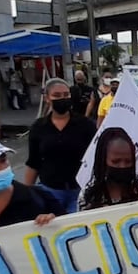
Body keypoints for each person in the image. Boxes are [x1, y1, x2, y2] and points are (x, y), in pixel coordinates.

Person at [24, 78, 97, 212]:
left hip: (79, 191)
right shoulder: (38, 127)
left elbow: (96, 158)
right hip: (50, 191)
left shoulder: (85, 125)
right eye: (56, 95)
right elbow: (33, 162)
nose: (62, 99)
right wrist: (26, 195)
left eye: (66, 95)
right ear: (47, 98)